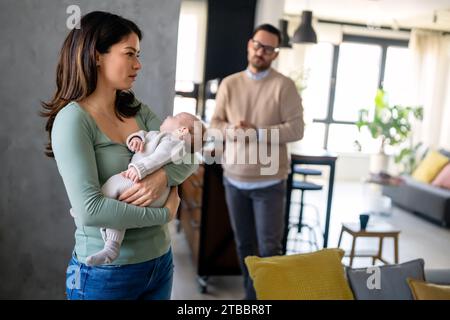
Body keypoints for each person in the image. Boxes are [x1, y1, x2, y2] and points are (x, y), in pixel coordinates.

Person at [41, 11, 197, 300]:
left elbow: (190, 155)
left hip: (160, 263)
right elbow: (90, 211)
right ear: (96, 55)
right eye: (129, 54)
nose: (138, 65)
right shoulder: (73, 120)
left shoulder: (134, 107)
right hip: (105, 276)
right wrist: (164, 214)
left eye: (138, 55)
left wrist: (162, 177)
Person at [210, 24, 304, 299]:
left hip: (270, 181)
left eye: (268, 48)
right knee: (243, 246)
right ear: (249, 44)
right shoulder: (230, 83)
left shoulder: (284, 86)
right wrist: (233, 130)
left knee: (268, 249)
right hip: (234, 178)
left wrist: (258, 133)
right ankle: (252, 297)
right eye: (257, 44)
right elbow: (215, 124)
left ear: (275, 54)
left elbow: (296, 130)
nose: (260, 51)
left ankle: (261, 299)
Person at [73, 112, 204, 266]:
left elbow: (159, 158)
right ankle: (112, 247)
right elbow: (142, 135)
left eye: (174, 118)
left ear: (182, 131)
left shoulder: (173, 142)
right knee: (119, 211)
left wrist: (140, 169)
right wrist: (135, 139)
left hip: (140, 181)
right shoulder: (157, 135)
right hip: (146, 191)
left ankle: (84, 209)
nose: (168, 116)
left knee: (113, 184)